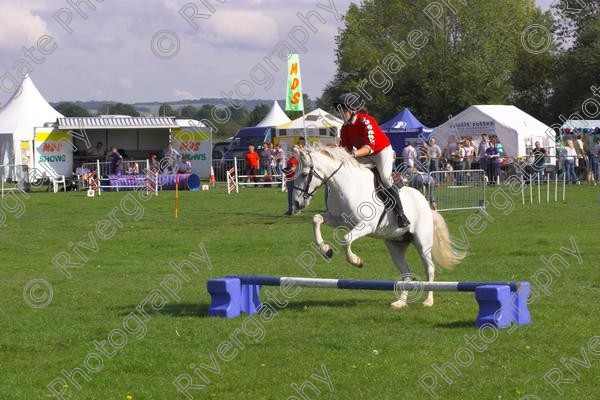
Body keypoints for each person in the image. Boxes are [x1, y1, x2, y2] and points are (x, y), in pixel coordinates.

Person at [333, 93, 410, 227]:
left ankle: (401, 214)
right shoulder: (345, 128)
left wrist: (352, 154)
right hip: (364, 153)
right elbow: (345, 149)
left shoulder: (366, 120)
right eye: (340, 110)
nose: (341, 113)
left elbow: (369, 147)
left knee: (385, 178)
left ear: (353, 110)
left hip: (381, 151)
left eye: (343, 110)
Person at [282, 145, 301, 215]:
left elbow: (296, 168)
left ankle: (298, 210)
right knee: (290, 194)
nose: (293, 151)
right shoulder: (291, 158)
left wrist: (290, 170)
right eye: (292, 150)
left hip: (295, 178)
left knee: (296, 195)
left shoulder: (299, 159)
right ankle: (290, 209)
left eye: (295, 150)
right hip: (289, 178)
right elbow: (290, 167)